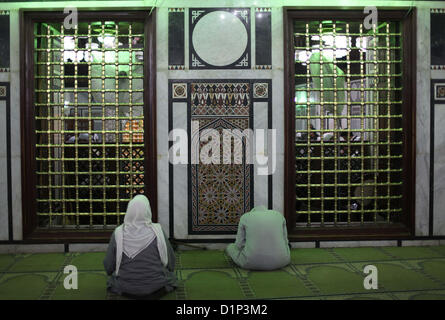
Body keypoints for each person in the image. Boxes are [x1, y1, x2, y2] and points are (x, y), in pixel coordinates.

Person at [103, 195, 177, 299]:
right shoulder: (158, 231)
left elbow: (109, 266)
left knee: (112, 282)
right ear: (148, 210)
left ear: (129, 210)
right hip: (157, 287)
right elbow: (170, 262)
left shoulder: (118, 233)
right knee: (172, 278)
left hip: (125, 288)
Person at [225, 206, 291, 271]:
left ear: (252, 211)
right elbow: (285, 241)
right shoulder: (279, 215)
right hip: (282, 261)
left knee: (230, 247)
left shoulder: (245, 217)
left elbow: (239, 244)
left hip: (249, 263)